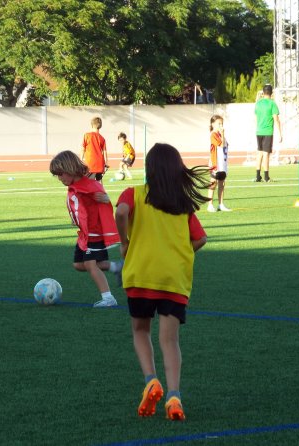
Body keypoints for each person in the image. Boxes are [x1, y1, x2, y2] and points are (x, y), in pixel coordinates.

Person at [114, 143, 209, 421]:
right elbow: (200, 239)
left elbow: (120, 213)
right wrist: (180, 254)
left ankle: (151, 380)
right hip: (173, 278)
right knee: (170, 340)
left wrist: (124, 242)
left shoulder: (134, 194)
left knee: (140, 331)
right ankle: (174, 396)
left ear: (149, 169)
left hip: (141, 274)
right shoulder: (183, 204)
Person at [50, 150, 123, 308]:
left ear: (70, 169)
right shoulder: (76, 185)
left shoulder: (89, 185)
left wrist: (105, 198)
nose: (60, 178)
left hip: (94, 233)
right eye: (57, 175)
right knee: (78, 265)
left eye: (61, 174)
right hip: (84, 234)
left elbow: (102, 197)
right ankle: (116, 267)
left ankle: (108, 298)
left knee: (90, 265)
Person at [254, 84, 282, 182]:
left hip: (259, 131)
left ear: (263, 92)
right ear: (271, 93)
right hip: (267, 132)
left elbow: (256, 117)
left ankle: (258, 176)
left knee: (259, 153)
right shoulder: (272, 104)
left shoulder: (258, 103)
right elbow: (276, 119)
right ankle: (266, 177)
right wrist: (280, 133)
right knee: (266, 154)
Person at [207, 115, 231, 212]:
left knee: (222, 183)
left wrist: (223, 135)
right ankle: (210, 205)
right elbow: (220, 145)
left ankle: (221, 204)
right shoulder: (213, 135)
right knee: (213, 183)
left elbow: (225, 144)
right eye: (219, 123)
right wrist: (222, 134)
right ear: (213, 124)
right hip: (215, 163)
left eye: (222, 123)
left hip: (222, 163)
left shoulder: (221, 135)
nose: (221, 126)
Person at [81, 117, 108, 181]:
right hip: (100, 164)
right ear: (100, 126)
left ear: (92, 125)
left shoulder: (87, 135)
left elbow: (83, 148)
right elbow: (104, 152)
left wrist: (81, 160)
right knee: (99, 183)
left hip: (90, 164)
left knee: (88, 184)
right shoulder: (102, 138)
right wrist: (106, 164)